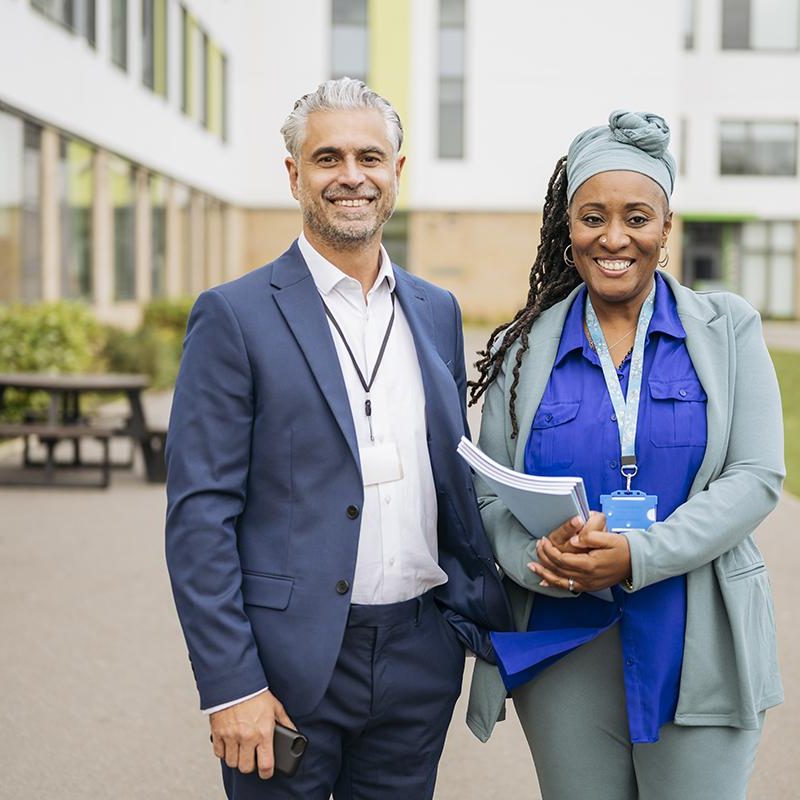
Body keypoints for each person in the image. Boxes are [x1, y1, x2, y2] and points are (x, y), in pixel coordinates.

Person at [164, 77, 511, 800]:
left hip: (419, 655)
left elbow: (450, 475)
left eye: (369, 157)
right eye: (327, 158)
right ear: (294, 175)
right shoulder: (232, 317)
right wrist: (231, 685)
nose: (351, 176)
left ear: (397, 174)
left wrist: (454, 630)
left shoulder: (437, 311)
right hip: (287, 666)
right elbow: (200, 518)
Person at [465, 111, 784, 799]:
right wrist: (537, 559)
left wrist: (641, 554)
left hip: (696, 638)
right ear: (568, 229)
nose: (614, 238)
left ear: (666, 226)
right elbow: (487, 493)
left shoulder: (728, 330)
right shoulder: (525, 349)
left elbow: (757, 476)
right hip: (564, 646)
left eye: (637, 217)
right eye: (592, 217)